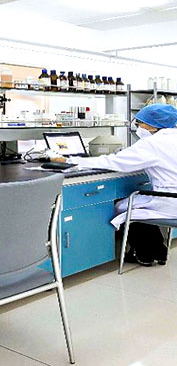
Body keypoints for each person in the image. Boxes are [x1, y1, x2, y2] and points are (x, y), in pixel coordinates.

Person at [53, 103, 177, 266]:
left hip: (168, 202)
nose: (138, 127)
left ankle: (145, 253)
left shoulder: (152, 143)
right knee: (135, 205)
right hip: (170, 198)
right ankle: (155, 250)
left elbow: (113, 162)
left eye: (140, 123)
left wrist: (71, 161)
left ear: (153, 125)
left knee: (121, 207)